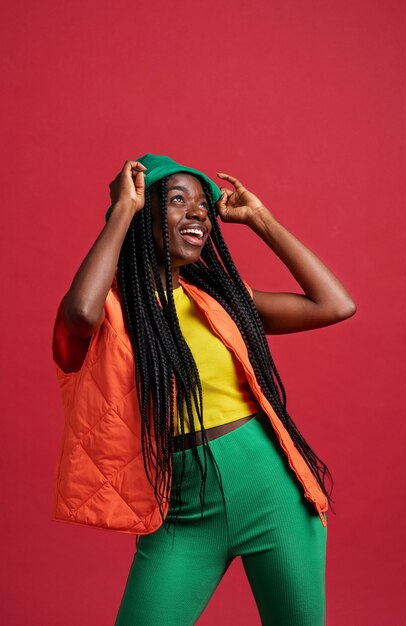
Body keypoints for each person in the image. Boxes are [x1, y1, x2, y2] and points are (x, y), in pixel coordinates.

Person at [51, 154, 356, 626]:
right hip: (181, 508)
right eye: (177, 201)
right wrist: (119, 213)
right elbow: (81, 316)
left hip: (274, 495)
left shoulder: (222, 300)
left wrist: (260, 219)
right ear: (140, 211)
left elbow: (334, 304)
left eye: (204, 208)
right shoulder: (111, 310)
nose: (198, 213)